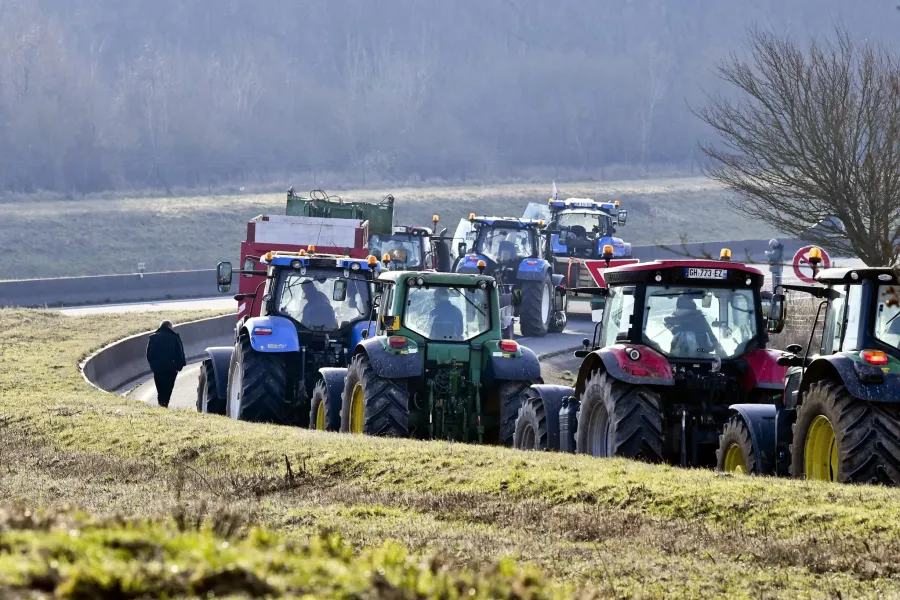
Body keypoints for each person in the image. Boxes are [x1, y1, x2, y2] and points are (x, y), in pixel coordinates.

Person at [145, 320, 186, 408]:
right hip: (171, 368)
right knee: (168, 389)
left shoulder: (153, 337)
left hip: (158, 368)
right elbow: (180, 353)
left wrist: (153, 366)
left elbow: (149, 354)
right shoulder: (174, 337)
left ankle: (161, 404)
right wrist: (179, 366)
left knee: (160, 389)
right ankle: (164, 405)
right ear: (169, 327)